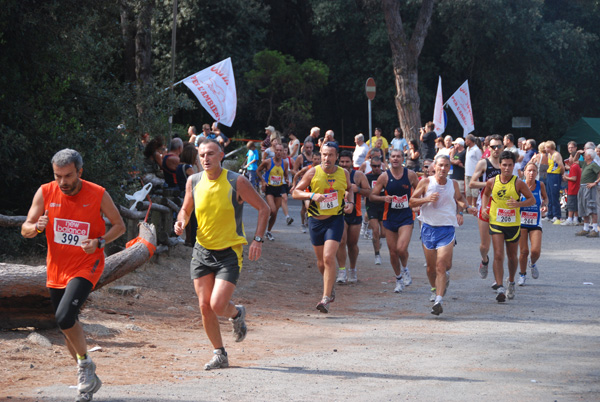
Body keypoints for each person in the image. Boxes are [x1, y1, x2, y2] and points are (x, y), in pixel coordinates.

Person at [22, 149, 126, 402]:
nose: (63, 182)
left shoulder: (98, 193)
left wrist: (100, 242)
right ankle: (87, 375)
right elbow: (26, 228)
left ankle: (84, 367)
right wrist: (36, 227)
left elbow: (120, 226)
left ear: (80, 171)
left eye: (68, 176)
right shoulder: (45, 191)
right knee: (66, 325)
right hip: (57, 267)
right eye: (58, 176)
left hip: (87, 264)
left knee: (65, 316)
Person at [174, 139, 269, 371]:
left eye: (211, 154)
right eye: (202, 155)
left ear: (221, 155)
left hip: (229, 252)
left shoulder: (237, 181)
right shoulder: (193, 181)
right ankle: (220, 354)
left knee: (218, 305)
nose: (206, 159)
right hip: (202, 251)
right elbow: (186, 209)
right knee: (204, 306)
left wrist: (257, 239)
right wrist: (180, 221)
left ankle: (236, 313)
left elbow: (264, 208)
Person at [410, 155, 476, 315]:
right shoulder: (426, 182)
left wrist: (466, 208)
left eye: (446, 166)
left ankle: (439, 300)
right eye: (440, 165)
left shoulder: (452, 184)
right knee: (431, 268)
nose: (443, 168)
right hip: (428, 228)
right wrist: (426, 199)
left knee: (441, 265)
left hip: (446, 228)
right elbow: (412, 202)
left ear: (449, 168)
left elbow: (459, 199)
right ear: (435, 166)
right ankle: (435, 288)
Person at [292, 142, 353, 313]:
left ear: (336, 157)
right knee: (320, 262)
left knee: (328, 257)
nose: (327, 158)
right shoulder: (313, 172)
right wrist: (312, 195)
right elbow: (296, 192)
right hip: (315, 221)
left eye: (330, 155)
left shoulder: (344, 173)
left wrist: (349, 202)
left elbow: (349, 189)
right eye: (324, 154)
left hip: (335, 219)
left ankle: (325, 298)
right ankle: (329, 284)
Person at [481, 151, 535, 302]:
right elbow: (485, 194)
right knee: (498, 254)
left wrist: (519, 204)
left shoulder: (518, 183)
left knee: (512, 257)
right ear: (499, 165)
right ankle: (499, 287)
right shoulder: (492, 181)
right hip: (496, 221)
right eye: (504, 165)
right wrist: (485, 208)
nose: (507, 168)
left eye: (510, 165)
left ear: (513, 165)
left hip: (513, 224)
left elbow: (532, 200)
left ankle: (511, 281)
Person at [370, 149, 419, 293]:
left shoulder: (410, 175)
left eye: (398, 156)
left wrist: (417, 203)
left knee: (401, 249)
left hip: (406, 216)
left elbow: (420, 189)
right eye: (393, 156)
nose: (396, 159)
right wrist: (383, 198)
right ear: (389, 159)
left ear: (403, 159)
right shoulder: (384, 177)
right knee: (392, 252)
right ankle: (398, 279)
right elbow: (372, 196)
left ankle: (405, 269)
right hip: (389, 217)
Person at [470, 134, 503, 281]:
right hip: (485, 204)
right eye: (493, 147)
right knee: (484, 246)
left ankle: (499, 280)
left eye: (498, 146)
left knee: (499, 247)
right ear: (488, 148)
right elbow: (472, 183)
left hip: (501, 206)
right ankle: (484, 260)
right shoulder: (484, 163)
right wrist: (490, 184)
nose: (496, 149)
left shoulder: (506, 164)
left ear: (503, 147)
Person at [336, 151, 371, 284]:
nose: (344, 164)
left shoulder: (358, 175)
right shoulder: (335, 174)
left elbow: (369, 192)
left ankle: (352, 269)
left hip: (355, 213)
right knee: (341, 241)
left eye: (347, 162)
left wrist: (359, 190)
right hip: (340, 212)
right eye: (342, 162)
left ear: (352, 162)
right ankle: (342, 270)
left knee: (352, 244)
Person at [518, 162, 548, 286]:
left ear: (537, 173)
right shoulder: (519, 184)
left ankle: (533, 262)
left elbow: (545, 198)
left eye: (534, 171)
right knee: (524, 251)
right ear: (524, 172)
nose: (531, 173)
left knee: (535, 251)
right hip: (521, 221)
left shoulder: (540, 185)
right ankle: (522, 275)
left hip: (535, 221)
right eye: (529, 171)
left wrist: (545, 205)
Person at [257, 143, 290, 240]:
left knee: (275, 213)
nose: (279, 152)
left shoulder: (285, 163)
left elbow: (285, 174)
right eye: (277, 150)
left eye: (281, 150)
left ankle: (268, 231)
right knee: (273, 209)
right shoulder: (268, 162)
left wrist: (287, 180)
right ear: (274, 151)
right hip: (269, 188)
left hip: (279, 188)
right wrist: (263, 181)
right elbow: (258, 171)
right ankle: (262, 223)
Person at [574, 149, 600, 237]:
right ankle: (586, 228)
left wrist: (595, 182)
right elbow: (574, 161)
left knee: (591, 207)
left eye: (585, 154)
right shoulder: (585, 164)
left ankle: (595, 229)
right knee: (583, 207)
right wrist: (577, 153)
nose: (584, 156)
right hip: (582, 187)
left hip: (590, 188)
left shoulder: (594, 165)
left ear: (589, 156)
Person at [365, 156, 386, 265]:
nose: (376, 168)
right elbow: (364, 190)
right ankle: (377, 254)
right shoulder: (367, 177)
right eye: (374, 166)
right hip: (371, 206)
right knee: (375, 231)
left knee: (384, 233)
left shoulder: (385, 175)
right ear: (371, 166)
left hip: (384, 206)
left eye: (378, 166)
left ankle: (378, 240)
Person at [545, 141, 564, 223]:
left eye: (546, 147)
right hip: (549, 174)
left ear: (550, 147)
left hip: (555, 175)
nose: (545, 149)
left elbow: (561, 166)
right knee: (549, 194)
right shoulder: (549, 155)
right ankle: (550, 214)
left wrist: (562, 174)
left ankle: (557, 215)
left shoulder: (556, 155)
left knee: (554, 194)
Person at [561, 154, 581, 226]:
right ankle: (575, 219)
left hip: (573, 188)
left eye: (570, 157)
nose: (569, 159)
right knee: (575, 204)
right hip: (576, 188)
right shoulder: (576, 166)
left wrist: (566, 177)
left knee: (571, 204)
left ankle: (569, 219)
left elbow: (574, 178)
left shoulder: (573, 167)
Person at [464, 134, 482, 208]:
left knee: (474, 191)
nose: (465, 142)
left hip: (474, 173)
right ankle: (469, 206)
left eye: (466, 140)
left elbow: (480, 161)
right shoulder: (468, 149)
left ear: (469, 140)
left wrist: (479, 172)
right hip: (467, 173)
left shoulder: (476, 150)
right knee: (468, 191)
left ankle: (474, 205)